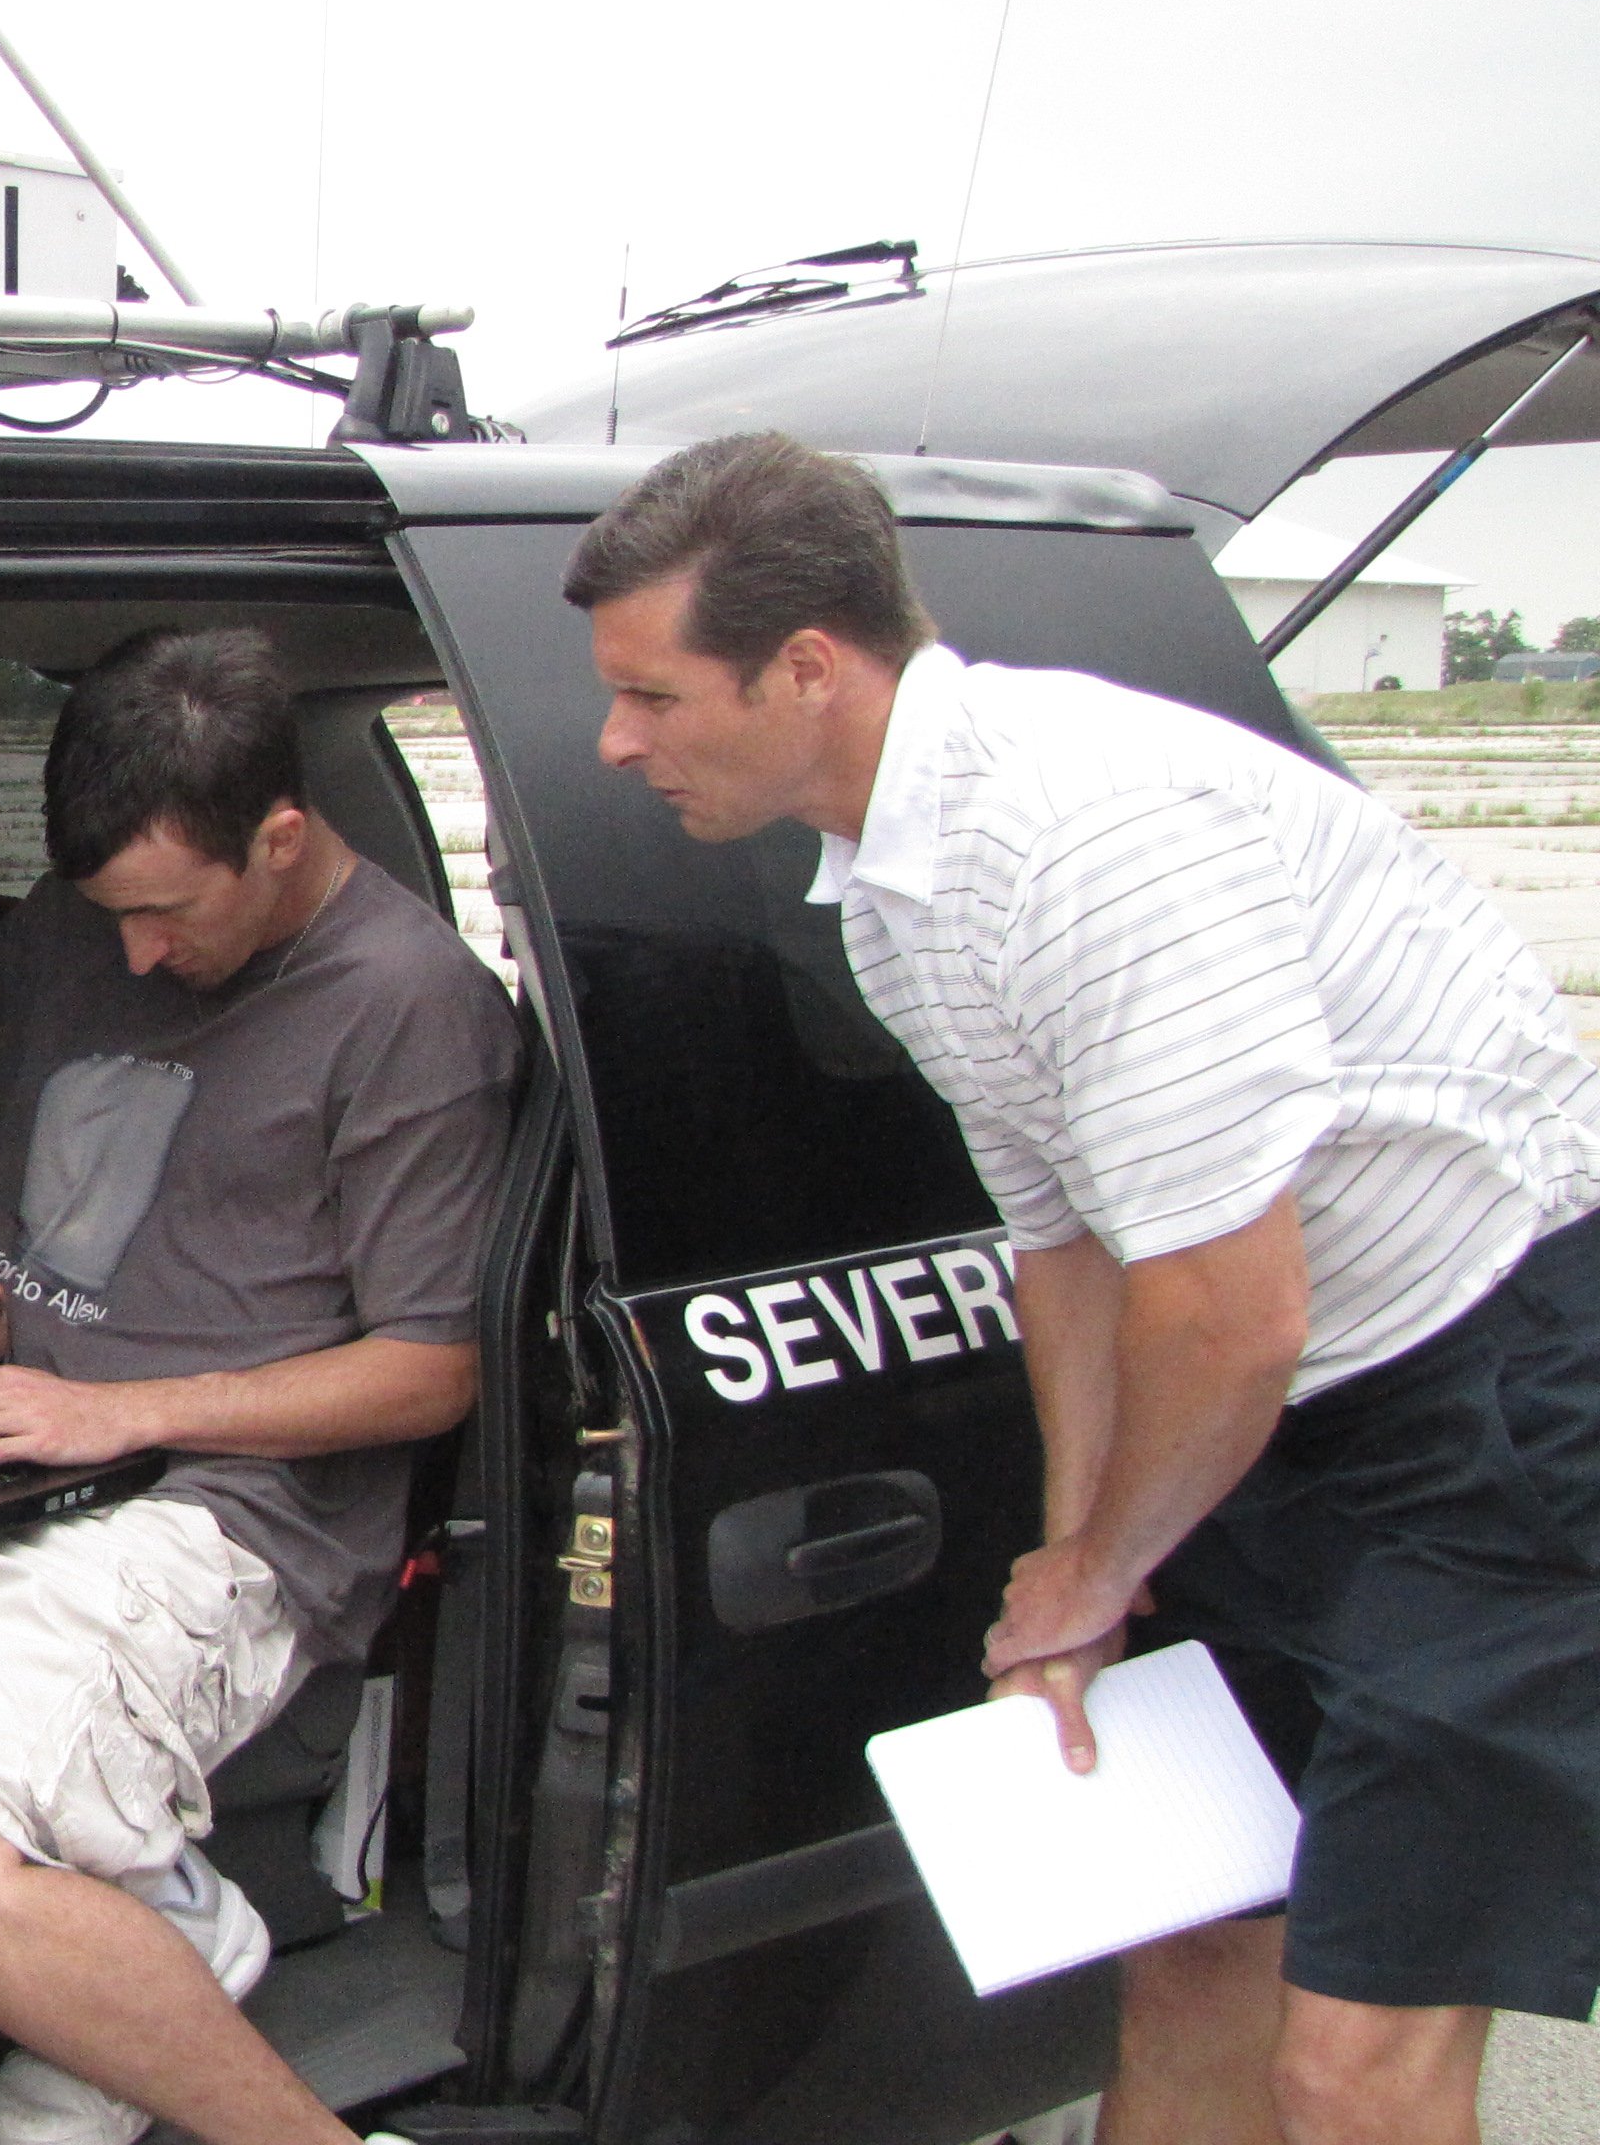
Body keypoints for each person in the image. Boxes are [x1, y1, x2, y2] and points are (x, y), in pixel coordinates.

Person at [568, 431, 1600, 2145]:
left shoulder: (1088, 848)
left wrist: (1108, 1560)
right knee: (1189, 1939)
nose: (617, 741)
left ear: (807, 668)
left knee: (1354, 2067)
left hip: (1488, 1403)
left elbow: (1228, 1306)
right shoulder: (899, 894)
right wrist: (1076, 1567)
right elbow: (1065, 1250)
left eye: (653, 696)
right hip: (1272, 1420)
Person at [0, 627, 515, 2145]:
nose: (133, 957)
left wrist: (119, 1411)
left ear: (278, 839)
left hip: (218, 1519)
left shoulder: (411, 1008)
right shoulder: (59, 935)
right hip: (7, 1462)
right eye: (106, 911)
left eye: (165, 914)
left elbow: (431, 1371)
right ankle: (138, 1905)